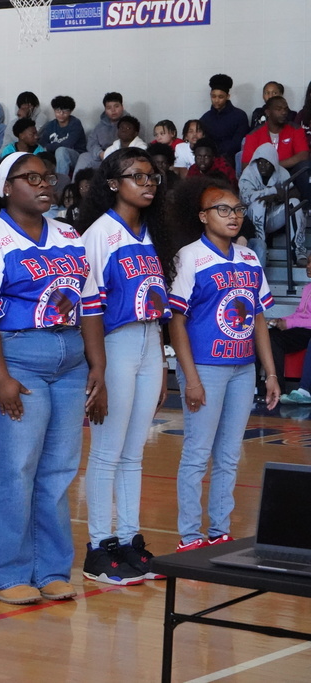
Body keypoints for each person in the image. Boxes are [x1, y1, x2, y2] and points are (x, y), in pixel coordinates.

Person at [0, 152, 107, 605]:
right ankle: (6, 575)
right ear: (7, 188)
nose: (44, 185)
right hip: (16, 356)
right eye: (31, 178)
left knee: (59, 470)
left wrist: (97, 363)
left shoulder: (67, 233)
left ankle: (52, 570)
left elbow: (90, 304)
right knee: (15, 469)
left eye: (48, 177)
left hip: (70, 360)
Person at [166, 177, 280, 552]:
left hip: (243, 368)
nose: (233, 217)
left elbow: (259, 318)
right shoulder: (189, 257)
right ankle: (189, 535)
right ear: (203, 216)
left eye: (238, 210)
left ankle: (219, 530)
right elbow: (177, 321)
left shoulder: (249, 258)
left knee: (230, 454)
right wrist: (191, 379)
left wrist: (271, 373)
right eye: (223, 209)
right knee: (198, 452)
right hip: (205, 367)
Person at [76, 149, 173, 585]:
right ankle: (99, 546)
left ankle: (129, 540)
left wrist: (163, 357)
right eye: (137, 176)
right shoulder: (99, 233)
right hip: (114, 342)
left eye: (153, 176)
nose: (148, 183)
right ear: (113, 183)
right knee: (107, 450)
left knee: (135, 453)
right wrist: (94, 364)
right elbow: (84, 301)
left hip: (151, 340)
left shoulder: (155, 233)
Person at [240, 143, 307, 267]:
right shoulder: (248, 173)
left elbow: (295, 193)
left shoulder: (282, 173)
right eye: (260, 162)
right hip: (251, 220)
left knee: (295, 203)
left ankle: (297, 250)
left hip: (272, 217)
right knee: (259, 204)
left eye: (267, 163)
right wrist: (272, 191)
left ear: (274, 163)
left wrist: (277, 197)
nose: (263, 166)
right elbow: (245, 198)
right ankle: (261, 249)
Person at [241, 96, 309, 169]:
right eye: (278, 109)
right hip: (263, 175)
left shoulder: (296, 129)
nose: (284, 112)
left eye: (286, 109)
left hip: (289, 173)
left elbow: (303, 155)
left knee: (304, 166)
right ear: (268, 112)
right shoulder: (254, 135)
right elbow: (246, 165)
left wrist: (274, 166)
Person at [199, 74, 249, 164]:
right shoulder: (205, 118)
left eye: (220, 97)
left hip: (231, 163)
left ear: (228, 96)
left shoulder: (240, 116)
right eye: (213, 96)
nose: (216, 100)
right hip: (209, 162)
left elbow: (238, 143)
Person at [75, 92, 127, 176]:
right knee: (84, 157)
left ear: (122, 107)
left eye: (116, 106)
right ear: (105, 110)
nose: (113, 110)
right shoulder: (100, 126)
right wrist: (100, 153)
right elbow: (91, 143)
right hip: (101, 157)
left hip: (120, 158)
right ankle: (75, 187)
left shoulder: (130, 124)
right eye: (109, 108)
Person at [39, 95, 87, 176]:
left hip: (76, 157)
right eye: (58, 111)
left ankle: (61, 181)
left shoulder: (75, 123)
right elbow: (43, 144)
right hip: (55, 157)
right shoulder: (51, 125)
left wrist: (49, 147)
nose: (61, 114)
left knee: (61, 151)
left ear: (71, 111)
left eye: (65, 111)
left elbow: (68, 144)